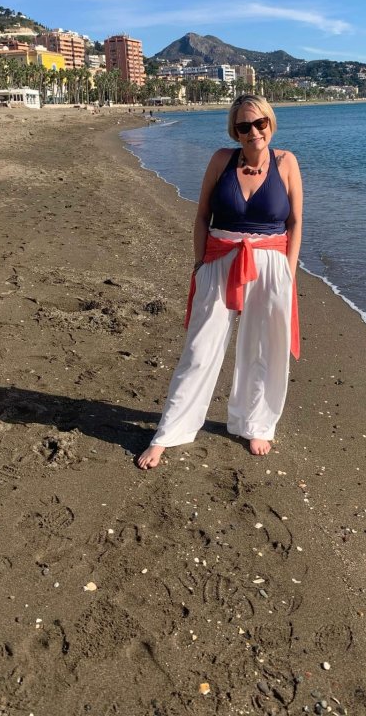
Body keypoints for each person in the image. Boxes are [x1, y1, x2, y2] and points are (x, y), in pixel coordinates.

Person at [137, 93, 303, 469]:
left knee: (265, 349)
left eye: (260, 123)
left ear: (271, 124)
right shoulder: (220, 160)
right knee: (199, 349)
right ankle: (170, 432)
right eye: (244, 126)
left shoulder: (287, 163)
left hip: (272, 266)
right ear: (235, 131)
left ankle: (254, 423)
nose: (253, 132)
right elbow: (201, 216)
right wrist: (199, 263)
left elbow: (295, 223)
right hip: (220, 261)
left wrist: (289, 272)